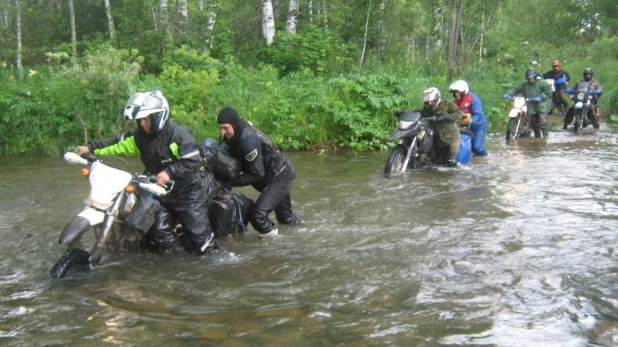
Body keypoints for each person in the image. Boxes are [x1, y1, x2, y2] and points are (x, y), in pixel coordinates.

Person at [74, 91, 216, 254]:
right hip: (155, 190)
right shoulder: (140, 136)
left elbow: (193, 161)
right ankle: (174, 258)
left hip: (186, 192)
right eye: (140, 120)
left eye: (146, 119)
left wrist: (169, 172)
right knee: (153, 231)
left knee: (202, 242)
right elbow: (116, 142)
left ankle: (213, 258)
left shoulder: (177, 135)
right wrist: (91, 147)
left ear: (158, 116)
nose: (142, 124)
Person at [216, 107, 301, 237]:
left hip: (280, 175)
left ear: (234, 124)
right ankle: (303, 236)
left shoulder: (247, 141)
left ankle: (277, 245)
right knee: (286, 218)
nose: (222, 132)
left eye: (225, 128)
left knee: (258, 216)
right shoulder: (232, 135)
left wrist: (229, 183)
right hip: (274, 173)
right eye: (220, 128)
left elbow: (256, 174)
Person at [419, 87, 463, 167]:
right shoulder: (427, 109)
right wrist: (404, 112)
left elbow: (459, 114)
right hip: (438, 141)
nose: (429, 105)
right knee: (434, 163)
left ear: (437, 99)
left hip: (452, 139)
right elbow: (419, 112)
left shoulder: (446, 104)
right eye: (427, 103)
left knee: (451, 163)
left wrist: (443, 117)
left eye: (430, 102)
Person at [502, 68, 553, 138]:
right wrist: (508, 94)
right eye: (529, 78)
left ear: (535, 77)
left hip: (542, 105)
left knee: (543, 122)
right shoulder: (525, 85)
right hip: (531, 105)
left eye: (532, 78)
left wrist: (540, 97)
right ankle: (537, 138)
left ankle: (545, 138)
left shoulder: (542, 83)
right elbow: (515, 89)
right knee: (534, 124)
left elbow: (549, 91)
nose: (530, 80)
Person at [448, 80, 488, 157]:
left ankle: (485, 158)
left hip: (478, 127)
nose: (455, 94)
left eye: (457, 92)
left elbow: (478, 115)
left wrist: (468, 121)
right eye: (454, 92)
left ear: (463, 91)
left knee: (477, 147)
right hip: (464, 126)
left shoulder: (474, 99)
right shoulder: (456, 102)